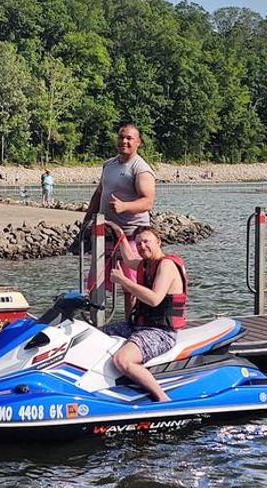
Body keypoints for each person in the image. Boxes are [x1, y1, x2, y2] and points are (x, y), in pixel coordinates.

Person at [102, 223, 187, 402]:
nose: (142, 247)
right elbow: (128, 259)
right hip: (139, 326)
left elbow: (155, 299)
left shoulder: (166, 265)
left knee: (122, 360)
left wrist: (124, 281)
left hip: (161, 332)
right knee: (96, 334)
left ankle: (162, 398)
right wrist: (120, 234)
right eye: (139, 244)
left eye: (146, 242)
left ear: (158, 242)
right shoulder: (146, 264)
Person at [82, 123, 156, 316]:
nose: (124, 141)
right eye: (121, 137)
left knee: (130, 285)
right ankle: (96, 322)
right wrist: (86, 222)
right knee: (94, 282)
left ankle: (131, 322)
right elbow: (98, 194)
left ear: (138, 142)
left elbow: (147, 202)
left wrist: (125, 206)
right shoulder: (109, 164)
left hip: (131, 235)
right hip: (106, 234)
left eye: (129, 138)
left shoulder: (141, 169)